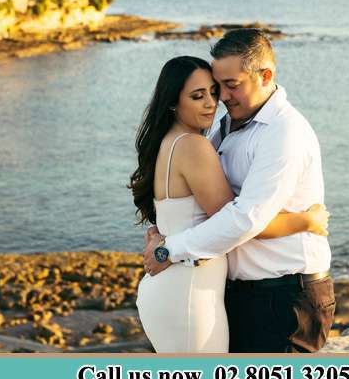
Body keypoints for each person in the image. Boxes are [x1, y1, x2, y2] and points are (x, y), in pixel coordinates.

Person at [143, 29, 335, 353]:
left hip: (285, 297)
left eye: (231, 86)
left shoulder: (284, 133)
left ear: (265, 76)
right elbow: (204, 203)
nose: (222, 99)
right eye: (219, 88)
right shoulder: (226, 128)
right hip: (240, 294)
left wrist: (169, 249)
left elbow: (245, 218)